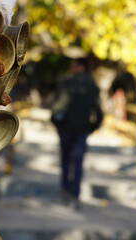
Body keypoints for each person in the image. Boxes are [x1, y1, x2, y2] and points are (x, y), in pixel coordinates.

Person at [51, 58, 103, 209]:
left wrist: (56, 122)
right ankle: (75, 194)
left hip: (66, 128)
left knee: (66, 159)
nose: (71, 68)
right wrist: (92, 127)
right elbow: (98, 112)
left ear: (80, 67)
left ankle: (65, 189)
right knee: (78, 161)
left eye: (73, 66)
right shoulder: (93, 86)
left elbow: (58, 105)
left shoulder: (66, 83)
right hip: (82, 129)